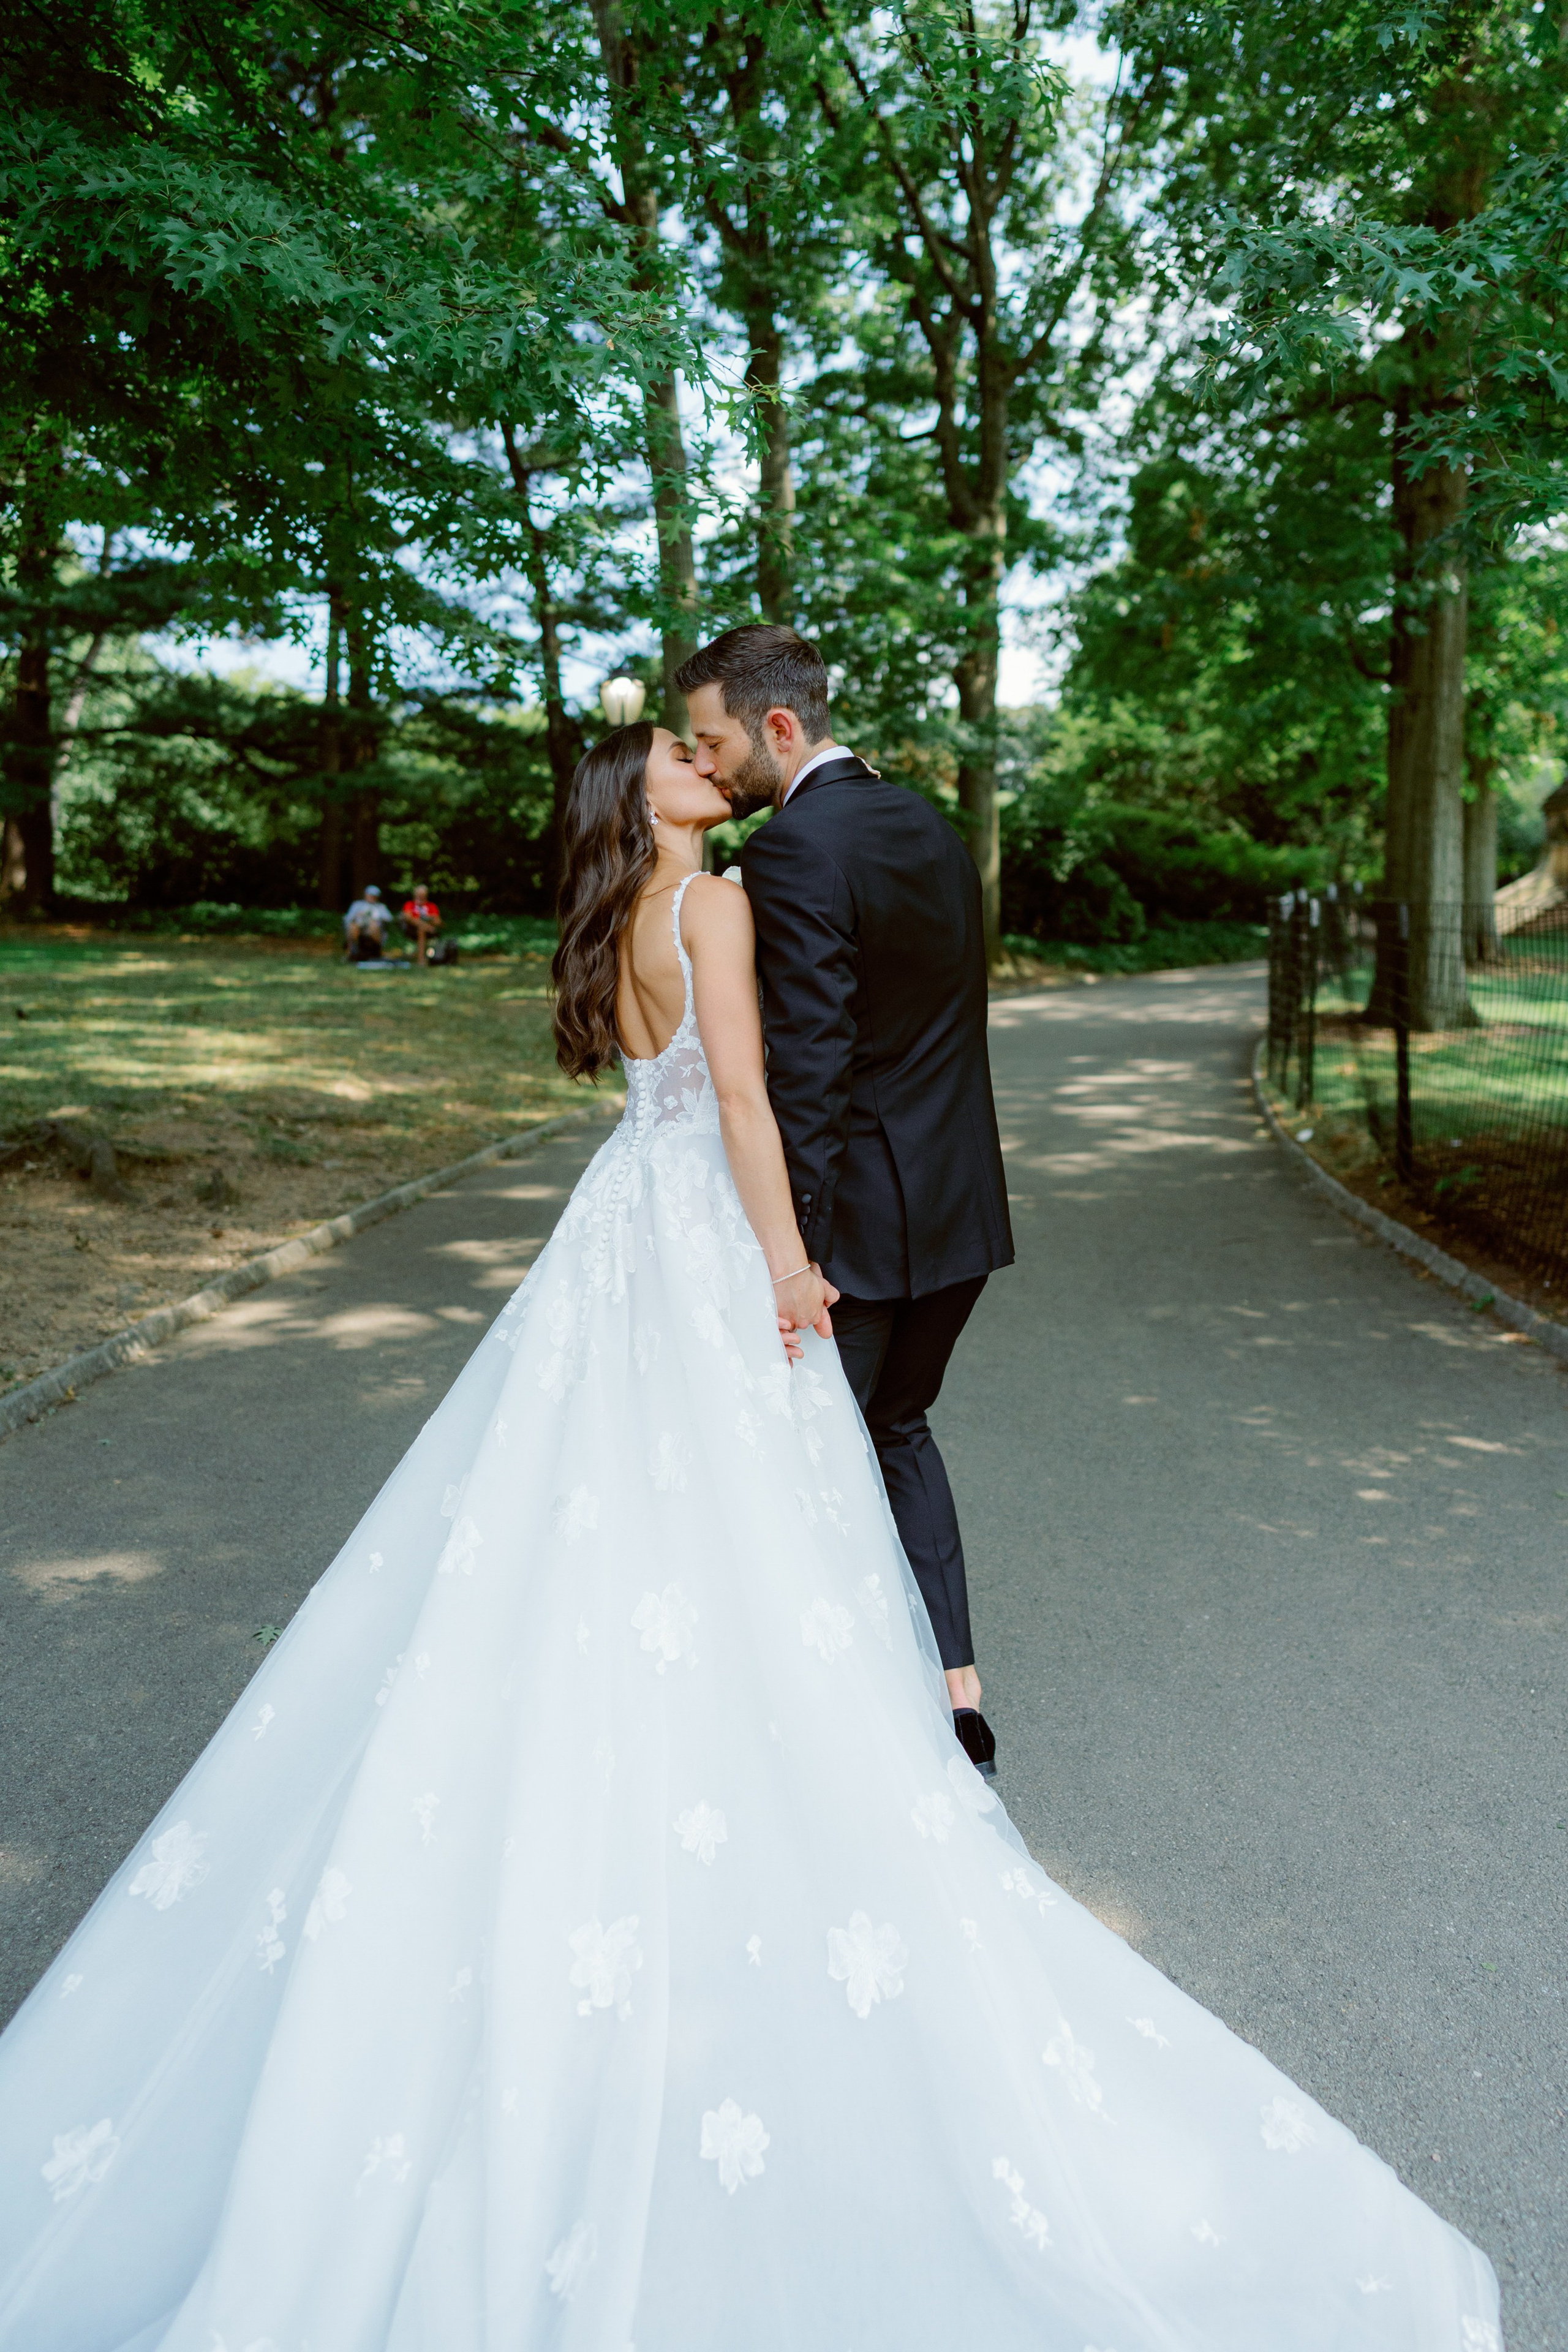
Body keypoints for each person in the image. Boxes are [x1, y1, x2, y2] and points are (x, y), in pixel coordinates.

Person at [0, 722, 1500, 2351]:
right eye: (674, 753)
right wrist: (790, 1266)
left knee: (600, 1516)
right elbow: (736, 1095)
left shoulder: (608, 924)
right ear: (641, 798)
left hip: (613, 1237)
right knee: (743, 1514)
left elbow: (656, 1088)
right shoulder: (708, 904)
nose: (700, 759)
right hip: (708, 1236)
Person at [679, 625, 1010, 1781]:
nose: (706, 764)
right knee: (898, 1428)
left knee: (806, 1464)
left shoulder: (791, 852)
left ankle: (836, 1738)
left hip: (860, 1232)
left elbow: (809, 1072)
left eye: (713, 741)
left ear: (778, 726)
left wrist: (796, 1258)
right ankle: (957, 1692)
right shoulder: (929, 826)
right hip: (961, 1216)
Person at [343, 883, 392, 962]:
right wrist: (358, 915)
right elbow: (348, 918)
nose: (372, 897)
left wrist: (377, 918)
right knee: (353, 927)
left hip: (374, 929)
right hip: (359, 926)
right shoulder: (357, 905)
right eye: (370, 895)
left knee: (374, 926)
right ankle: (352, 953)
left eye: (374, 896)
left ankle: (376, 952)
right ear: (366, 895)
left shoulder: (381, 907)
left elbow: (389, 919)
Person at [401, 882, 443, 965]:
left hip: (431, 931)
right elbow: (408, 918)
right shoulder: (410, 905)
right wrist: (426, 925)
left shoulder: (432, 906)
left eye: (423, 895)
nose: (420, 897)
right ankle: (421, 959)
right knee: (421, 929)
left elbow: (438, 921)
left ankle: (425, 958)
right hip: (412, 930)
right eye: (418, 895)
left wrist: (428, 921)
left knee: (422, 930)